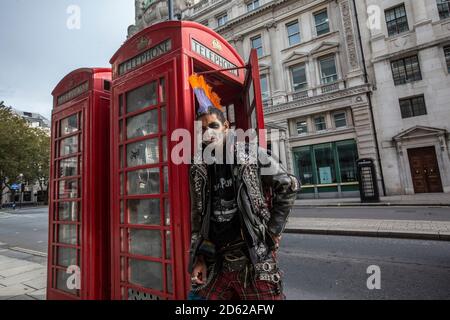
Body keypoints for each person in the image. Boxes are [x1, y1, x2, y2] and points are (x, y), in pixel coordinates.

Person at [187, 75, 300, 300]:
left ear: (226, 127)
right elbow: (198, 216)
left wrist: (274, 230)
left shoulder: (251, 155)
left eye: (213, 126)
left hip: (254, 260)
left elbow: (289, 185)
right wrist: (198, 257)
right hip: (217, 263)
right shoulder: (198, 168)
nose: (208, 132)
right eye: (202, 129)